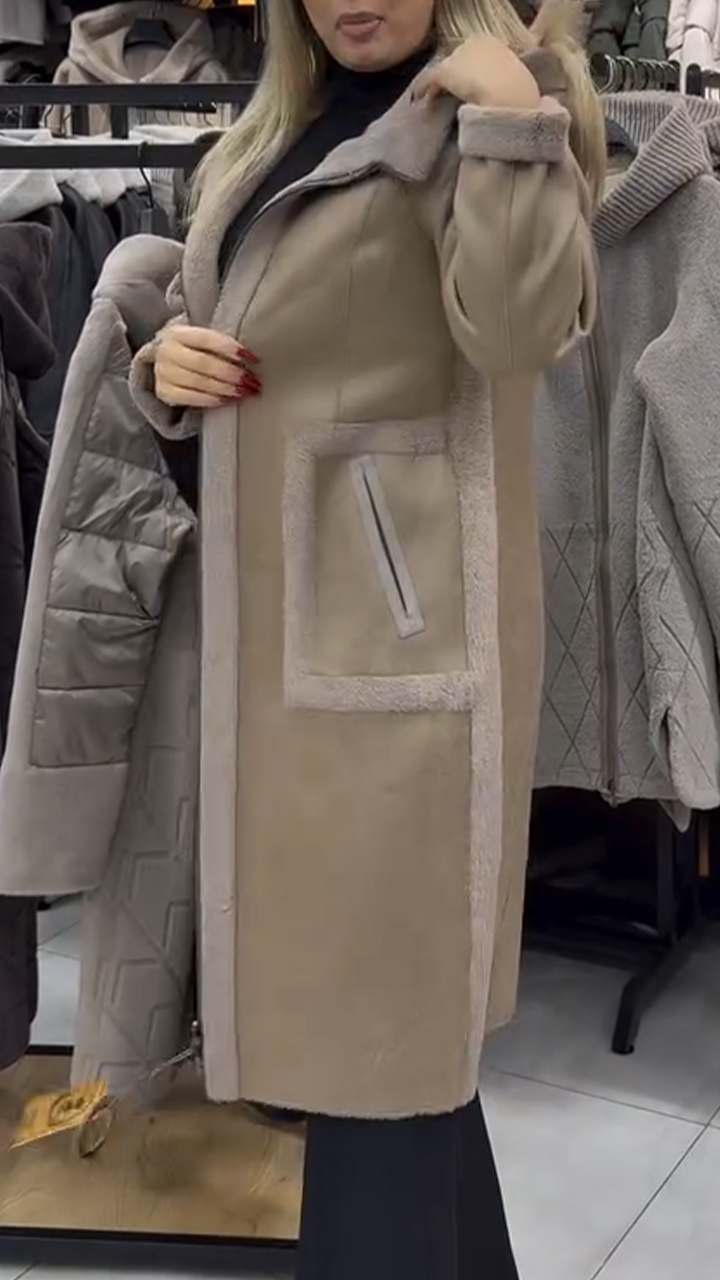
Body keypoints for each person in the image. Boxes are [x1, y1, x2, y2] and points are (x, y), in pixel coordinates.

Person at [131, 0, 602, 1274]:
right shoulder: (269, 129)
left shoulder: (501, 110)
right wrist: (168, 364)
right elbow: (249, 330)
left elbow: (519, 335)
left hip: (403, 672)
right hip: (266, 650)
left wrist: (512, 120)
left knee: (381, 1052)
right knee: (393, 1069)